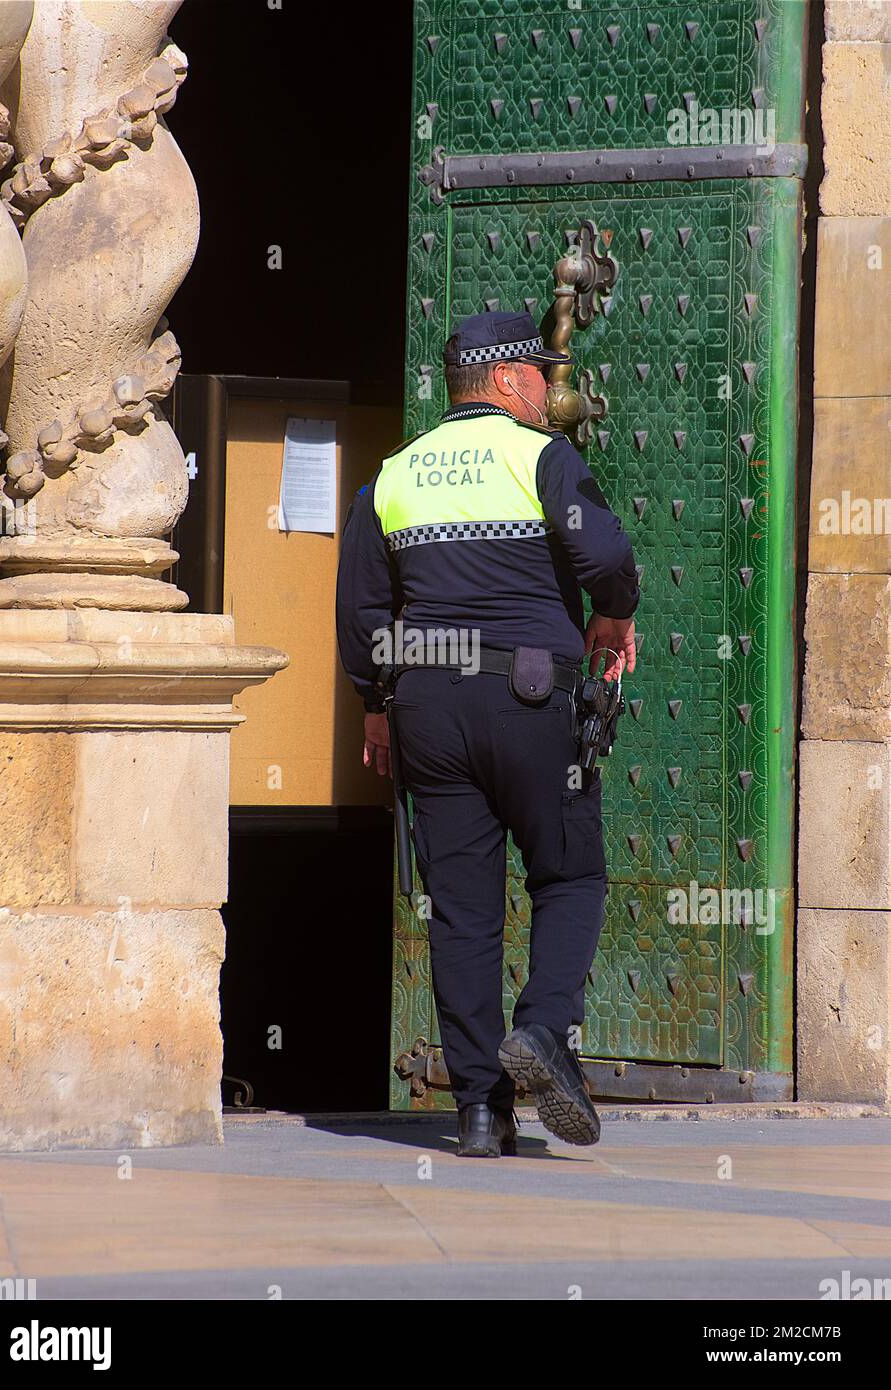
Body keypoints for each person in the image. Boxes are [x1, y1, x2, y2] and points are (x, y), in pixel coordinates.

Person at [336, 310, 639, 1157]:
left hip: (424, 708)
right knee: (569, 874)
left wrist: (372, 705)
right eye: (542, 376)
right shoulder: (541, 458)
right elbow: (606, 560)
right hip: (528, 695)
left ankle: (478, 1111)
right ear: (507, 380)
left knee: (460, 911)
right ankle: (542, 1030)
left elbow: (361, 607)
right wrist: (614, 617)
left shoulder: (393, 475)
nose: (553, 391)